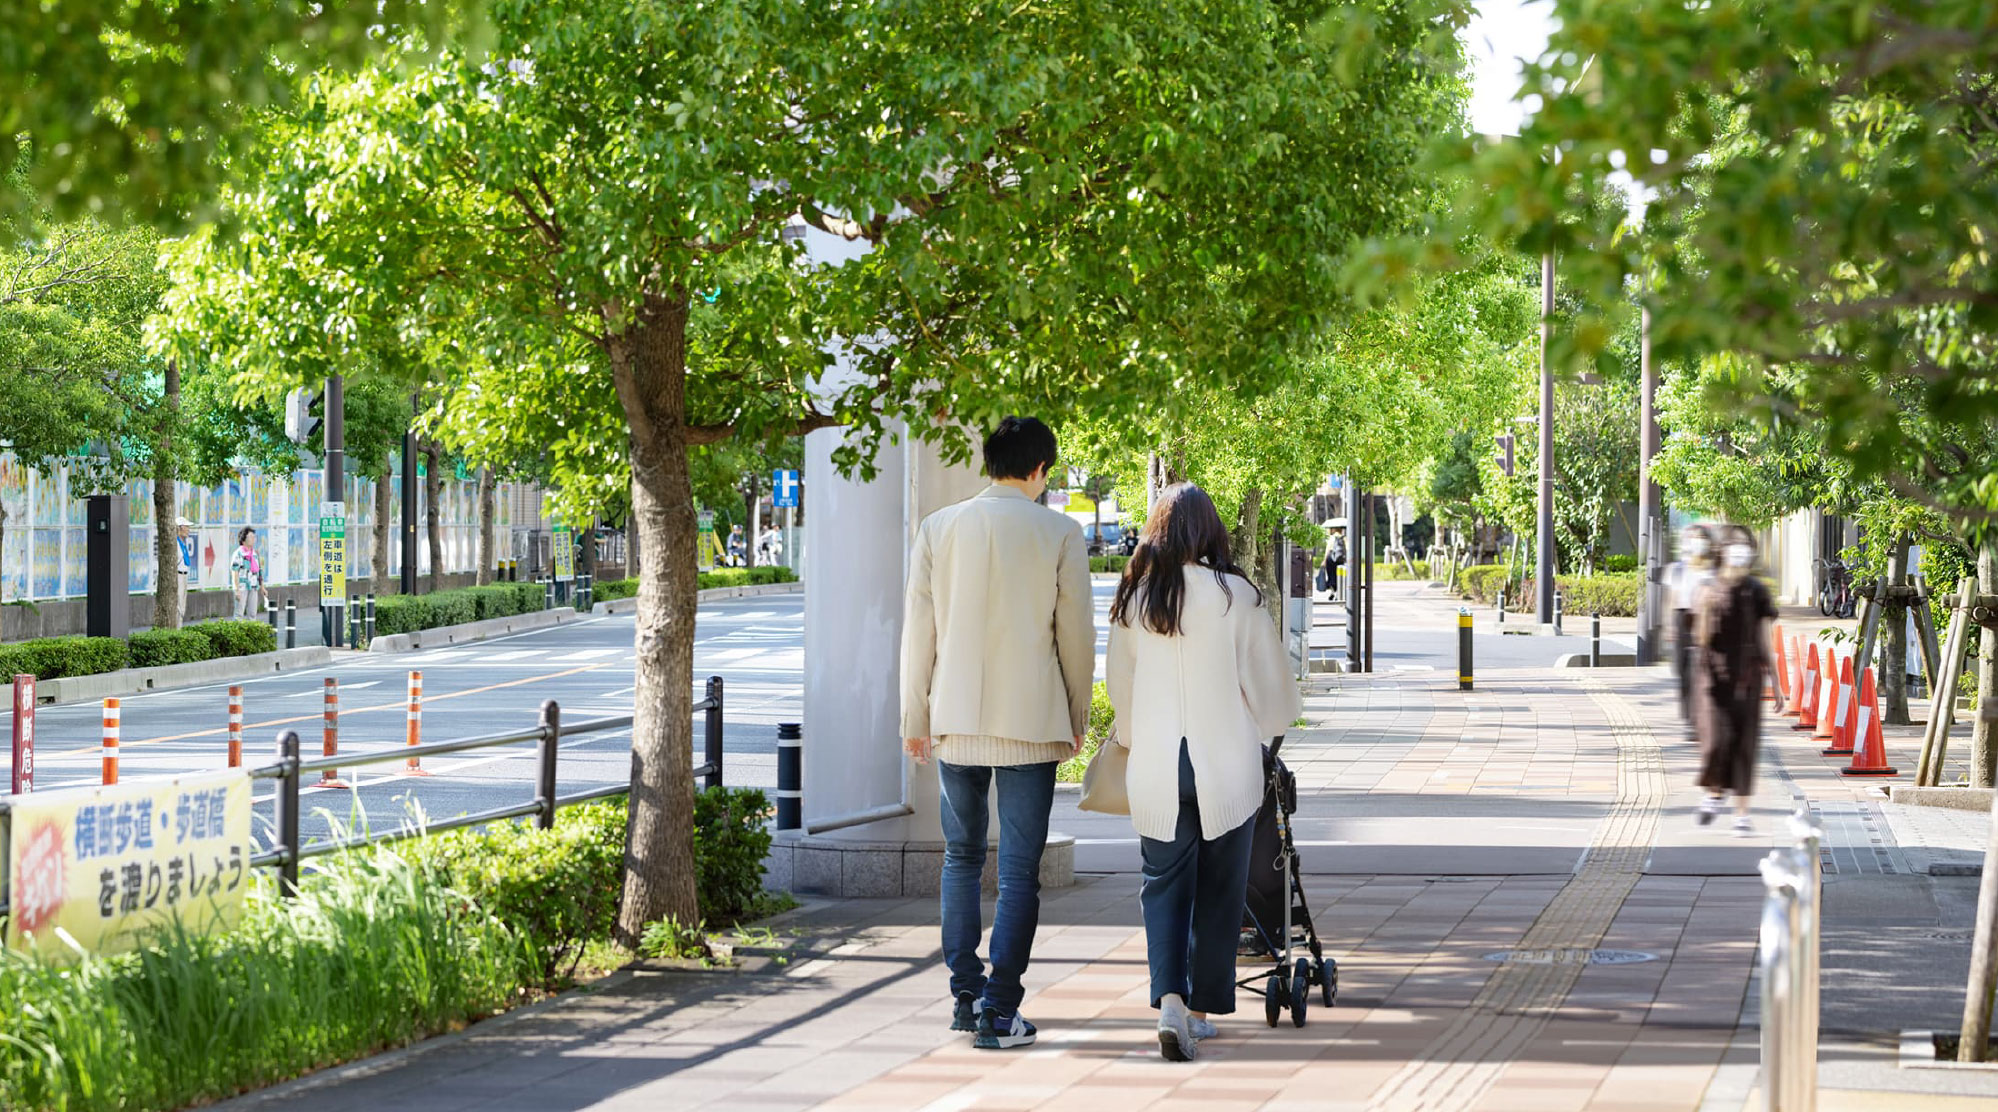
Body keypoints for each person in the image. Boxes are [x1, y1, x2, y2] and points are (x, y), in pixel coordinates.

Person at [900, 416, 1094, 1052]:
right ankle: (1001, 1008)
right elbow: (1075, 640)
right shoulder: (1060, 533)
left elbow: (918, 633)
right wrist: (1076, 718)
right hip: (1031, 725)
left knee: (960, 859)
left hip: (955, 721)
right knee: (1017, 871)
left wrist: (915, 717)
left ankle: (965, 996)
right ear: (1040, 470)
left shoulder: (939, 528)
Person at [1105, 483, 1301, 1062]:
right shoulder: (1236, 595)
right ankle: (1199, 1011)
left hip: (1158, 768)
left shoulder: (1136, 599)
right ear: (1210, 530)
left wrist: (1133, 738)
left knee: (1161, 886)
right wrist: (1267, 733)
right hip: (1227, 767)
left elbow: (1121, 688)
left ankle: (1168, 1000)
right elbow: (1273, 694)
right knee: (1221, 888)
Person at [1693, 525, 1777, 835]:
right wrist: (1704, 609)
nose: (1741, 552)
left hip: (1749, 679)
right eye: (1735, 546)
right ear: (1723, 551)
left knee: (1745, 744)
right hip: (1713, 680)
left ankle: (1741, 813)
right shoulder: (1708, 588)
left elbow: (1765, 640)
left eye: (1746, 547)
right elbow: (1700, 638)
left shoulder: (1757, 591)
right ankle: (1714, 793)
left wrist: (1777, 684)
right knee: (1715, 741)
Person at [1666, 524, 1715, 721]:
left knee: (1704, 669)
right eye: (1694, 538)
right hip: (1682, 617)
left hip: (1705, 618)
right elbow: (1672, 597)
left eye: (1701, 538)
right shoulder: (1678, 568)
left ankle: (1701, 715)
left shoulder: (1712, 569)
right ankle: (1689, 715)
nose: (1698, 542)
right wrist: (1670, 625)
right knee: (1682, 669)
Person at [228, 527, 264, 618]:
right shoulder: (238, 554)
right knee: (239, 613)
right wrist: (236, 590)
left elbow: (259, 571)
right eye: (251, 537)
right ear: (243, 539)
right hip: (242, 587)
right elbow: (234, 572)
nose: (253, 539)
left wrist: (262, 587)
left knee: (252, 613)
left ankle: (251, 632)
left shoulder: (255, 554)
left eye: (254, 537)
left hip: (253, 586)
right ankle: (238, 631)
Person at [174, 517, 197, 623]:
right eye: (186, 527)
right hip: (178, 575)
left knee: (183, 604)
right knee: (178, 605)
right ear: (180, 528)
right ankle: (177, 629)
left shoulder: (182, 543)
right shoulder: (175, 543)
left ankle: (180, 628)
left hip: (184, 575)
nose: (188, 529)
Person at [1321, 525, 1347, 600]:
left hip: (1330, 559)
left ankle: (1332, 592)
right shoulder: (1343, 538)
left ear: (1334, 529)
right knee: (1339, 576)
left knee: (1331, 576)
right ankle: (1338, 594)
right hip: (1340, 559)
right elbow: (1347, 549)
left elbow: (1328, 549)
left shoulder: (1331, 538)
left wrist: (1324, 560)